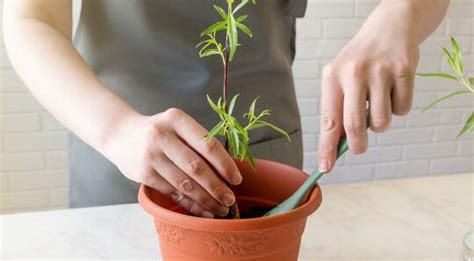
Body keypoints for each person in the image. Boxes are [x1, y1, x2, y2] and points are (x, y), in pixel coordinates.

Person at [3, 0, 449, 218]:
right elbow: (30, 18)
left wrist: (400, 15)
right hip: (118, 157)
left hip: (264, 154)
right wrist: (118, 131)